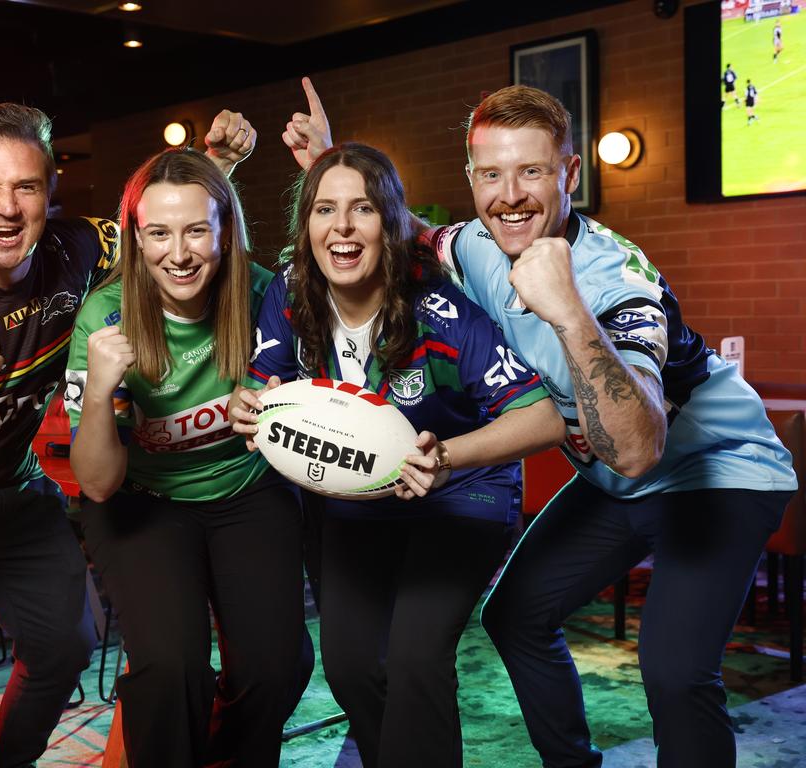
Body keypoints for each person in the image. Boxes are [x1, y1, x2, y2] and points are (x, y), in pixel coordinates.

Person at [286, 79, 796, 768]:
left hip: (720, 473)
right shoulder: (473, 247)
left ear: (569, 173)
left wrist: (568, 311)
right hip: (617, 488)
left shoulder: (618, 280)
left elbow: (641, 449)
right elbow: (402, 230)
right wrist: (333, 160)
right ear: (472, 178)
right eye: (491, 174)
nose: (511, 194)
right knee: (516, 616)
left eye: (532, 171)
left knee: (675, 672)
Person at [0, 101, 253, 768]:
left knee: (67, 645)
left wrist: (220, 165)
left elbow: (168, 231)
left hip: (11, 492)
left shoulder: (78, 246)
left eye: (26, 187)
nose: (6, 208)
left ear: (49, 193)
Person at [230, 141, 565, 768]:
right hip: (356, 503)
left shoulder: (442, 309)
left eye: (362, 209)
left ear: (390, 220)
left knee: (414, 659)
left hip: (462, 496)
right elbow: (260, 382)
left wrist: (446, 459)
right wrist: (247, 406)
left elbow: (542, 417)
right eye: (325, 210)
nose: (343, 228)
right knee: (353, 668)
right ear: (307, 226)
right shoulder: (291, 296)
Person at [65, 145, 308, 768]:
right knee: (172, 667)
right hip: (144, 503)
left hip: (248, 492)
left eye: (197, 230)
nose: (178, 254)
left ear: (226, 232)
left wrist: (289, 405)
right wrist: (98, 391)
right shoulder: (105, 316)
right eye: (158, 234)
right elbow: (95, 484)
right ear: (135, 238)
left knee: (277, 666)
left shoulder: (262, 296)